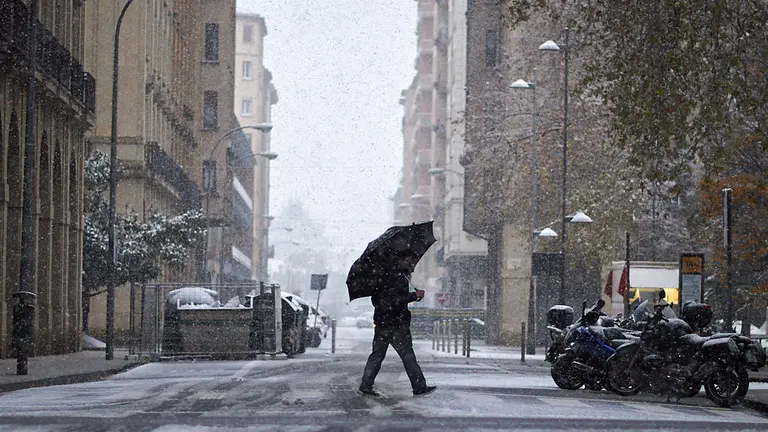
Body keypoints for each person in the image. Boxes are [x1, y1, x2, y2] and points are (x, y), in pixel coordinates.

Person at [358, 254, 436, 397]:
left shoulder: (379, 279)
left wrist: (414, 296)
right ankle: (419, 386)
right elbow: (396, 300)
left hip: (382, 323)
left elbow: (377, 301)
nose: (411, 267)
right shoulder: (398, 278)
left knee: (377, 355)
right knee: (407, 355)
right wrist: (414, 295)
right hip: (397, 324)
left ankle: (366, 385)